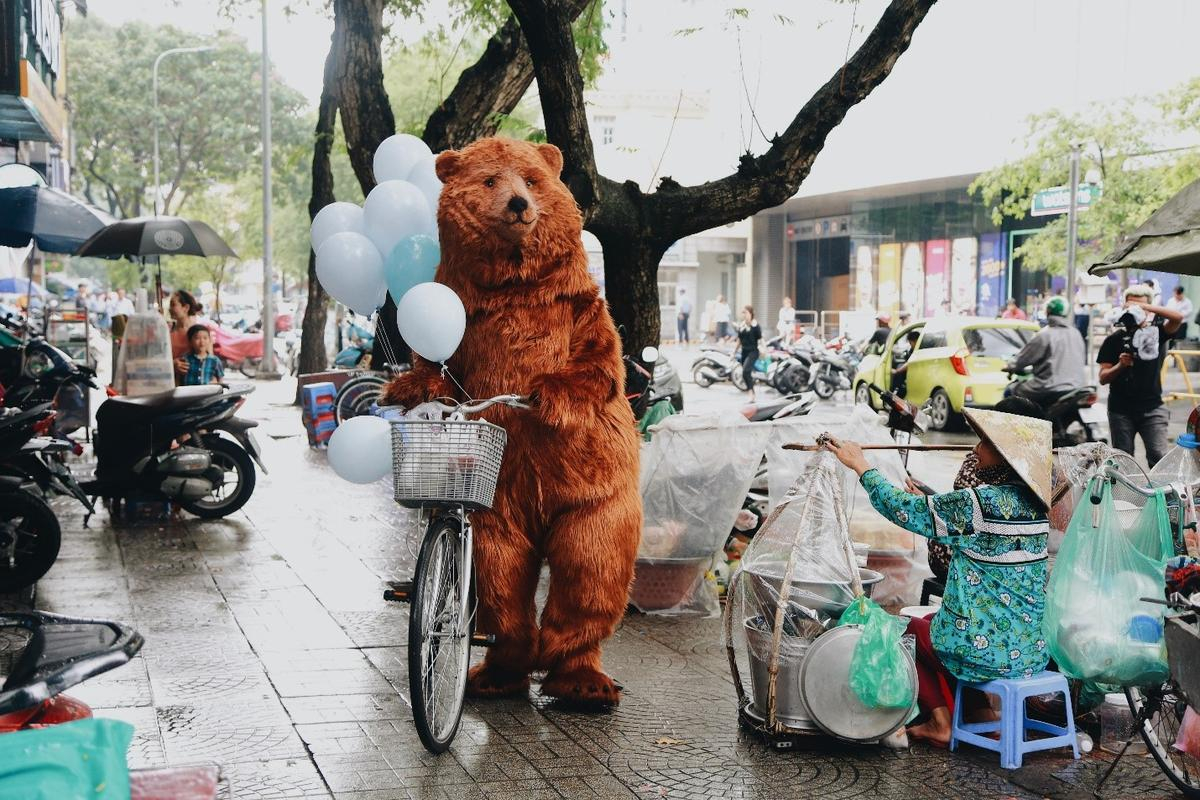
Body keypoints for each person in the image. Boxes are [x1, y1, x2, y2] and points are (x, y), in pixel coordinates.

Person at [824, 407, 1052, 746]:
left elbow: (899, 507)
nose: (976, 450)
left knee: (909, 630)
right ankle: (979, 715)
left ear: (1004, 456)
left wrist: (860, 463)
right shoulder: (1036, 507)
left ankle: (940, 723)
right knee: (945, 625)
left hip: (984, 651)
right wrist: (932, 504)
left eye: (984, 443)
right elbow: (974, 533)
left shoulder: (980, 503)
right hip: (1032, 649)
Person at [925, 395, 1046, 582]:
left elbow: (958, 507)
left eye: (986, 441)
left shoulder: (983, 477)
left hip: (984, 570)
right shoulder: (1040, 472)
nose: (976, 449)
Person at [1097, 285, 1184, 467]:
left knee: (1160, 459)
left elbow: (1178, 318)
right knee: (1122, 462)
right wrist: (1120, 365)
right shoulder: (1113, 340)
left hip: (1152, 408)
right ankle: (1125, 496)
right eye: (1132, 306)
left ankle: (1159, 495)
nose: (1135, 312)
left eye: (1141, 307)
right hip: (1120, 410)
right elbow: (1103, 377)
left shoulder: (1155, 333)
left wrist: (1146, 309)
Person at [1007, 296, 1085, 406]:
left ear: (1047, 311)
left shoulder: (1044, 335)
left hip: (1049, 387)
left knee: (1011, 390)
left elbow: (1023, 359)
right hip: (1077, 387)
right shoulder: (1076, 333)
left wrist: (1010, 366)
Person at [168, 289, 205, 363]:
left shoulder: (200, 332)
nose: (170, 309)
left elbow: (209, 361)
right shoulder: (168, 330)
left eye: (173, 305)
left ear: (186, 308)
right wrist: (173, 364)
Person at [736, 305, 762, 400]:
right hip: (744, 352)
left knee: (746, 370)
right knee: (745, 373)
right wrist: (733, 352)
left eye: (746, 312)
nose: (744, 315)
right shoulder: (741, 326)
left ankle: (751, 393)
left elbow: (760, 339)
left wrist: (765, 350)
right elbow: (739, 340)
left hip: (753, 351)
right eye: (743, 313)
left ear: (751, 314)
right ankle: (751, 392)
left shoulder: (755, 326)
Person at [890, 328, 922, 398]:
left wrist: (896, 371)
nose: (910, 345)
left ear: (916, 341)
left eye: (911, 343)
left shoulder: (920, 348)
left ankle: (897, 394)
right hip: (915, 370)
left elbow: (910, 363)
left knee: (899, 373)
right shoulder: (913, 349)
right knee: (899, 366)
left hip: (918, 371)